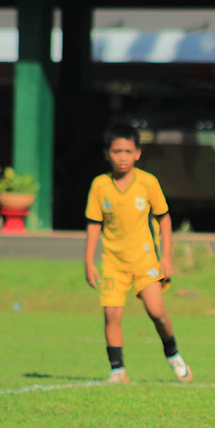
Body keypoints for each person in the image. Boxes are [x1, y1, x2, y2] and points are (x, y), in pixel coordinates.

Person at [84, 123, 192, 384]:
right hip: (112, 261)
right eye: (117, 151)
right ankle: (117, 371)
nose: (122, 157)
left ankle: (173, 354)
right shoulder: (100, 186)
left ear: (138, 154)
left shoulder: (147, 183)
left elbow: (164, 219)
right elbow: (94, 224)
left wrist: (167, 256)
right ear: (107, 153)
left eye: (127, 151)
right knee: (111, 315)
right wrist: (89, 261)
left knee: (157, 312)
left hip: (145, 260)